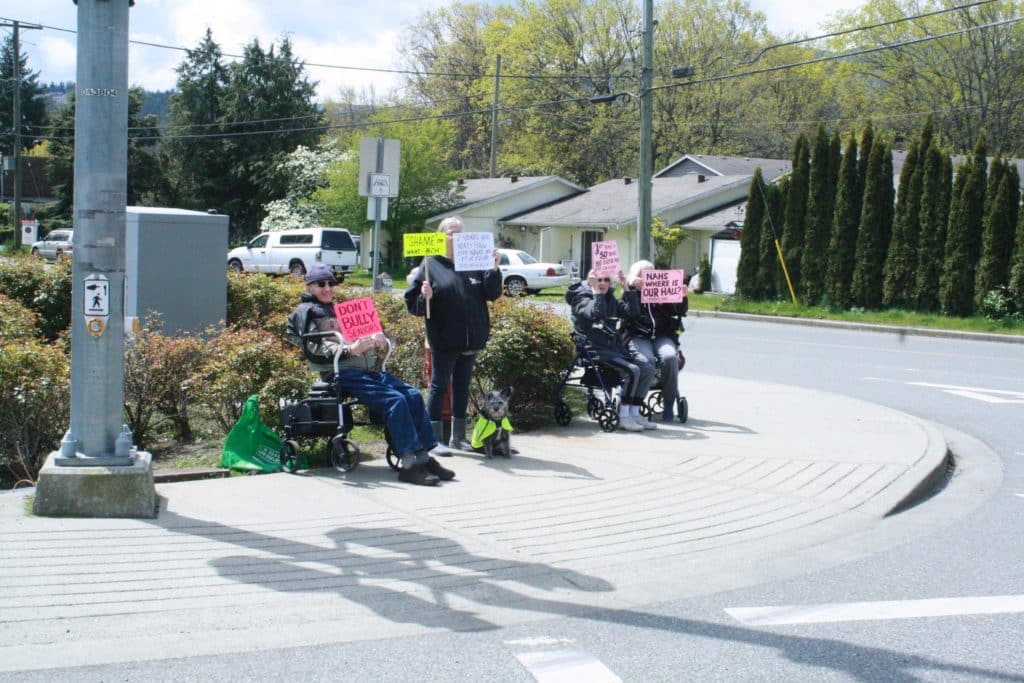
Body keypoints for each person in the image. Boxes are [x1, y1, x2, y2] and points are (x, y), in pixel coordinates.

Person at [292, 263, 454, 486]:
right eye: (321, 284)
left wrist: (376, 334)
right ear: (309, 287)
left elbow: (363, 331)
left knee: (413, 394)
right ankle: (409, 461)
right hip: (342, 372)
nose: (328, 288)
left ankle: (425, 456)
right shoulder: (308, 313)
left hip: (367, 371)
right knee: (395, 401)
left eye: (331, 283)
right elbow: (315, 349)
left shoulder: (339, 309)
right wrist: (349, 349)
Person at [404, 216, 503, 455]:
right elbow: (413, 305)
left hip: (471, 339)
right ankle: (433, 439)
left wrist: (494, 269)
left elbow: (492, 293)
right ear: (441, 236)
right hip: (444, 338)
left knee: (462, 386)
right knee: (439, 386)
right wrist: (423, 296)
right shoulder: (431, 264)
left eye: (460, 233)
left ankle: (458, 438)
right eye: (451, 233)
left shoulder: (474, 262)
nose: (456, 237)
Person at [566, 268, 655, 432]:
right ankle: (623, 416)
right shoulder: (580, 297)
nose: (603, 283)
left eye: (606, 280)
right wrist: (595, 292)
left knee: (648, 368)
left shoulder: (610, 298)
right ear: (591, 281)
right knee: (633, 370)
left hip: (612, 349)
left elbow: (633, 313)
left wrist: (627, 288)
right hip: (592, 349)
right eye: (598, 280)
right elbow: (596, 314)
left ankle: (634, 413)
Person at [621, 259, 689, 423]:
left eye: (650, 274)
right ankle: (634, 404)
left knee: (670, 358)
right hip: (639, 335)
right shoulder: (630, 292)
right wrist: (631, 288)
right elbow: (629, 314)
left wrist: (683, 297)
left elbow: (679, 311)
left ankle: (668, 404)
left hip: (662, 335)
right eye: (641, 275)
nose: (645, 278)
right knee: (648, 361)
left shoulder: (662, 291)